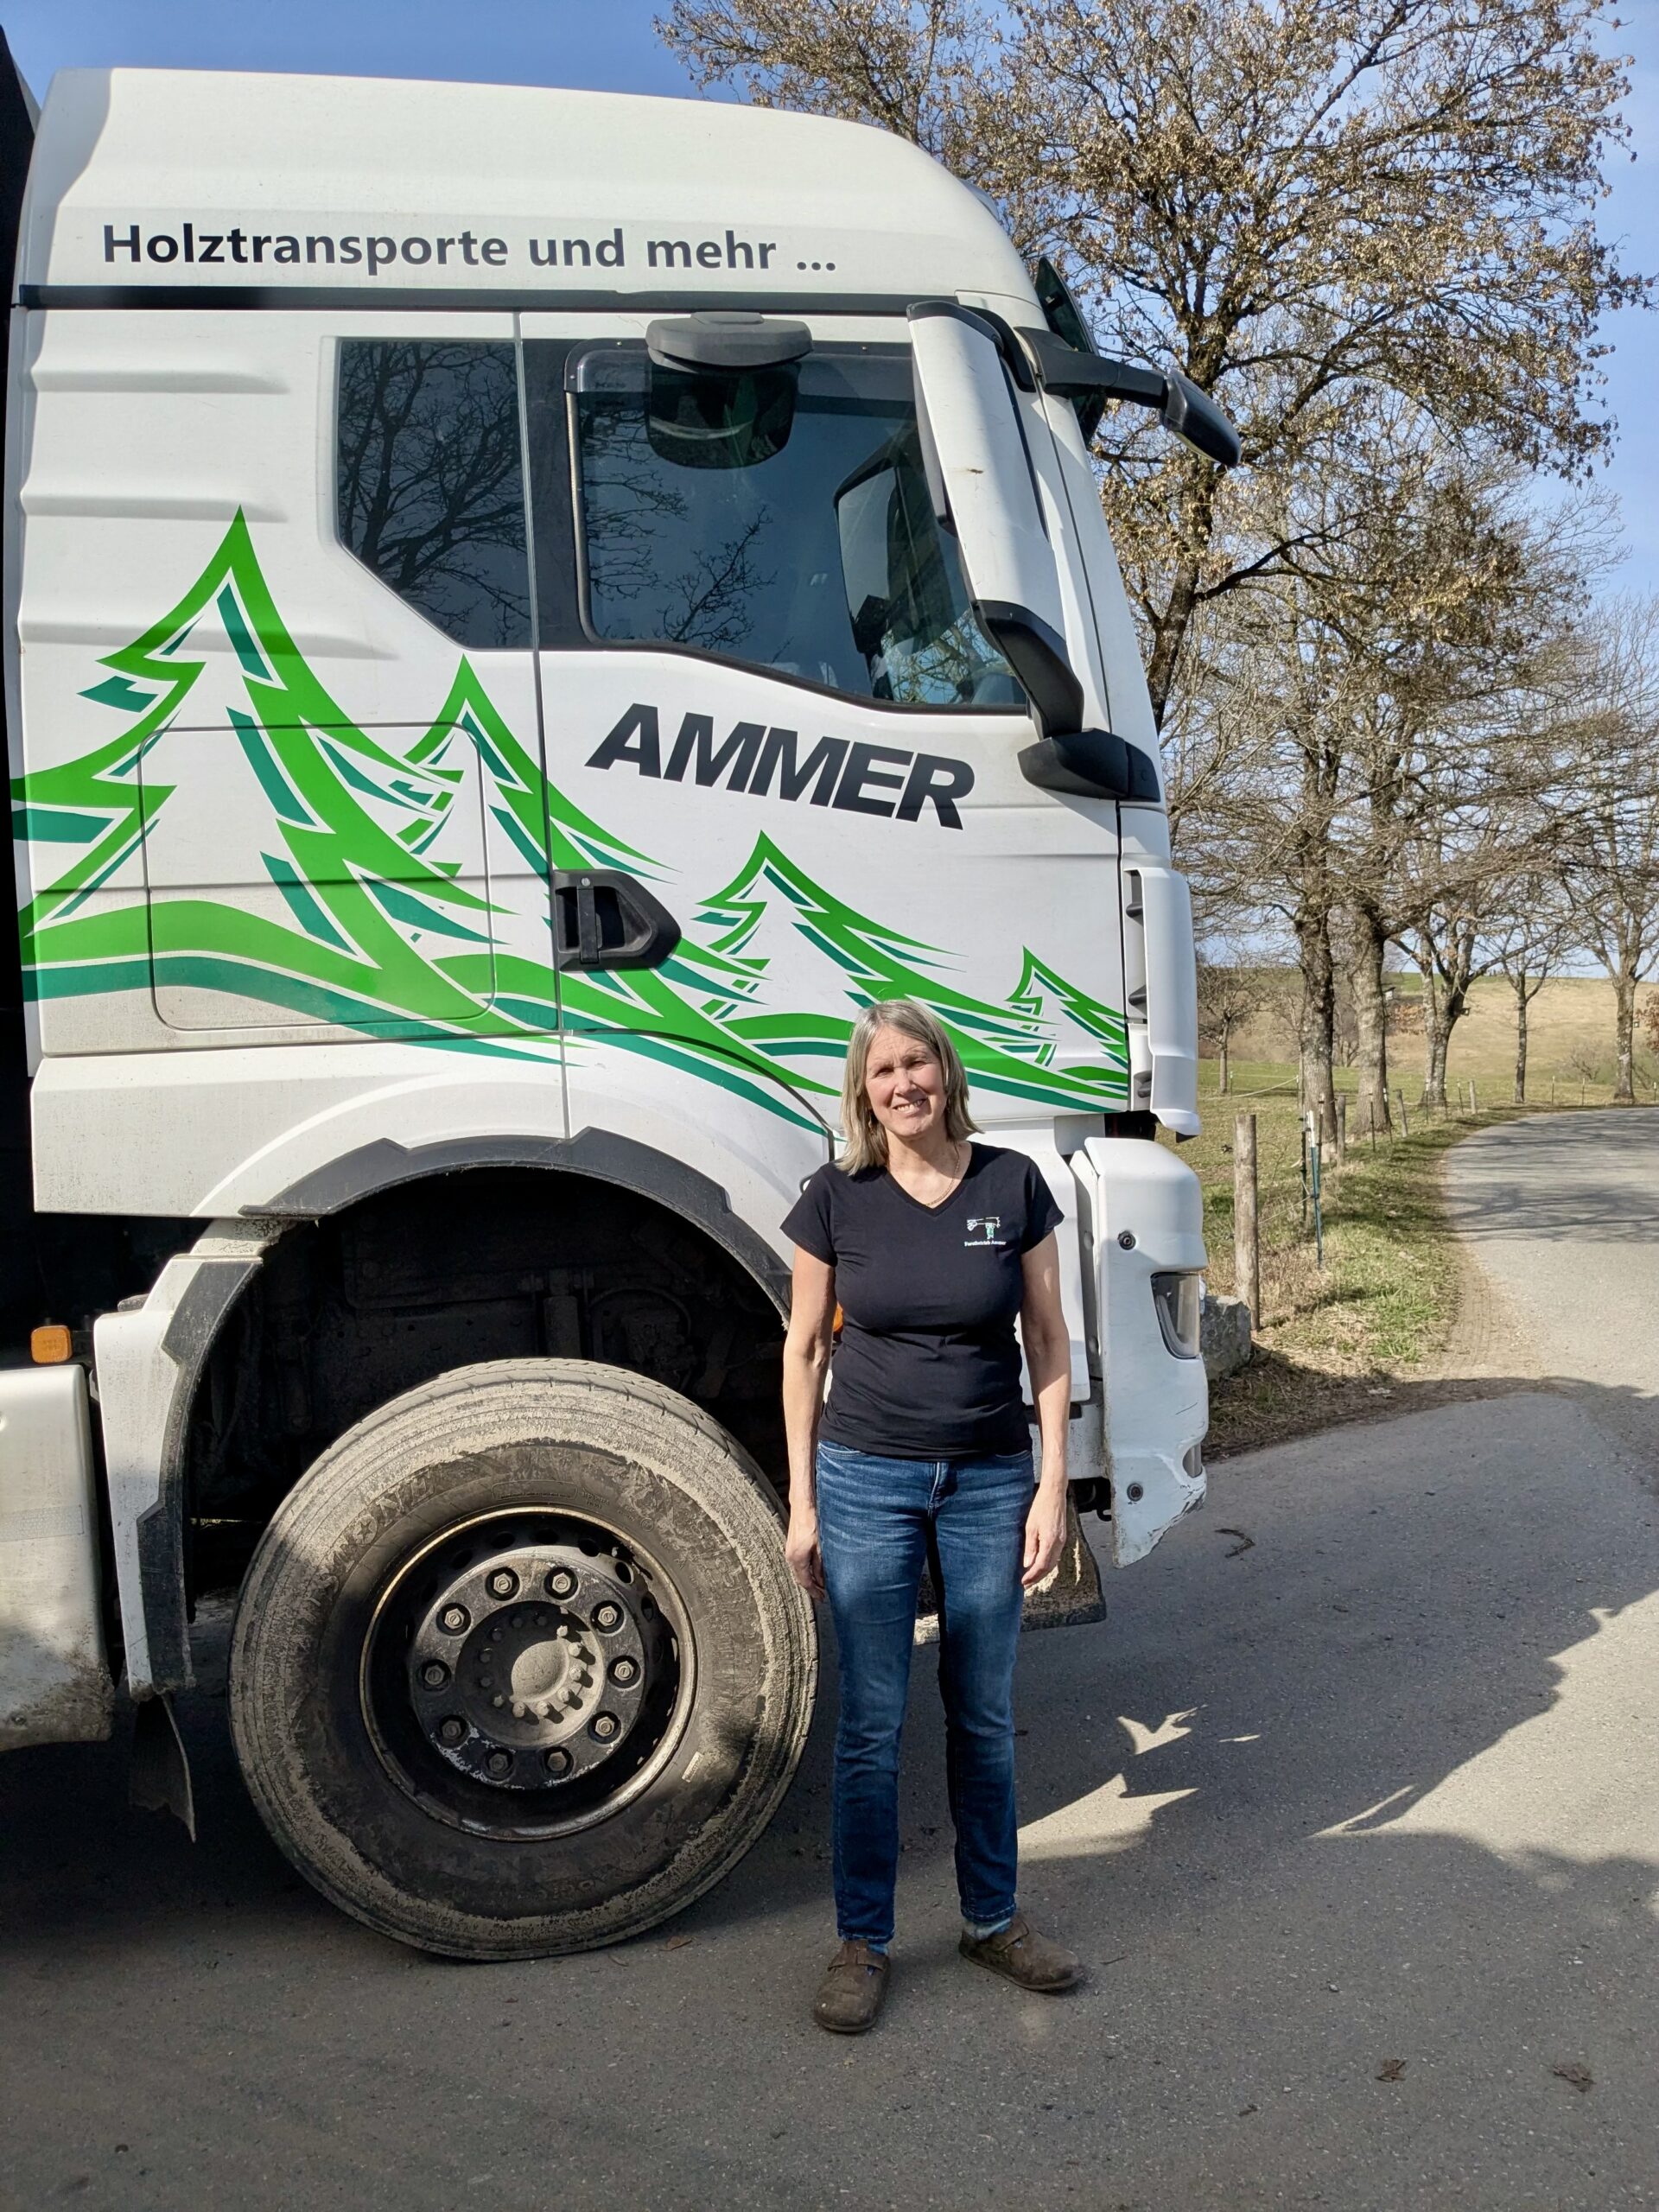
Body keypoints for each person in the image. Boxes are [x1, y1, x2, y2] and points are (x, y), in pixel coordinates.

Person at [781, 998, 1083, 2034]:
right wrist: (802, 1501)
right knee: (871, 1721)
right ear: (862, 1092)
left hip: (991, 1478)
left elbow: (1049, 1339)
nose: (903, 1082)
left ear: (946, 1072)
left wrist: (1053, 1484)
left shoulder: (1012, 1183)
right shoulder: (836, 1197)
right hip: (866, 1476)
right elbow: (804, 1351)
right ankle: (861, 1940)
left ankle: (991, 1919)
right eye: (883, 1070)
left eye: (917, 1062)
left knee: (983, 1712)